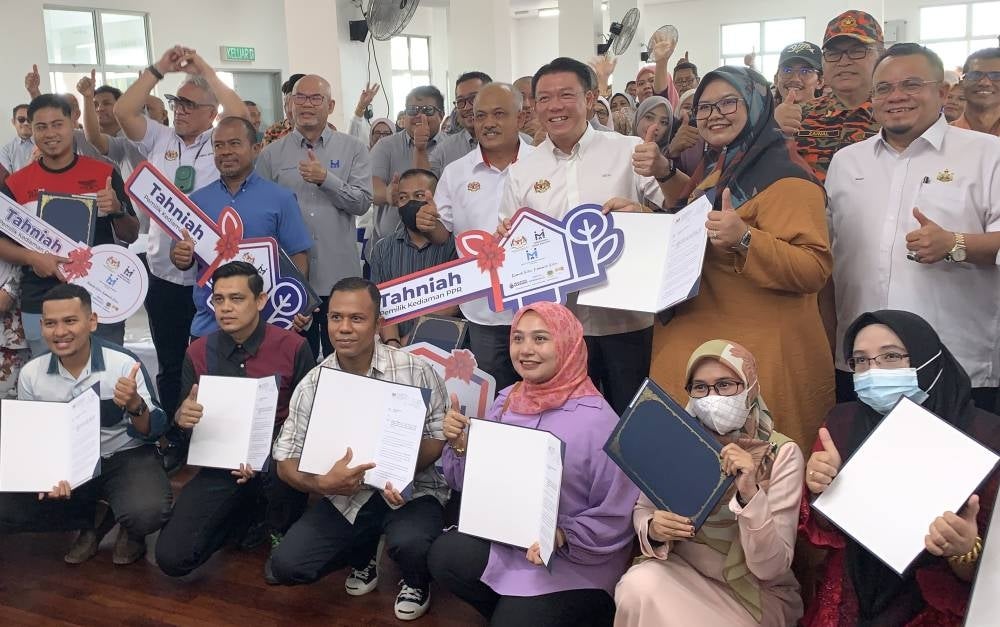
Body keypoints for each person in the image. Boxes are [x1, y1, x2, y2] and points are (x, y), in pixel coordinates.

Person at [649, 66, 833, 453]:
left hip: (755, 362)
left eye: (728, 102)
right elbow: (696, 214)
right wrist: (643, 211)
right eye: (705, 107)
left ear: (756, 103)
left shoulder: (787, 177)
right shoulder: (721, 164)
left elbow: (813, 268)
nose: (715, 114)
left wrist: (745, 239)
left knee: (761, 484)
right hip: (700, 350)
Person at [428, 302, 639, 627]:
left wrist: (563, 535)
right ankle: (516, 609)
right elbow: (470, 484)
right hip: (510, 543)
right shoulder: (508, 399)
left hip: (572, 563)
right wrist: (459, 443)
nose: (526, 350)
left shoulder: (600, 423)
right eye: (518, 339)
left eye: (541, 339)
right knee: (445, 556)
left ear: (567, 345)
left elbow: (618, 515)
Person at [500, 57, 688, 415]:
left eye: (566, 95)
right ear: (534, 106)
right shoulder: (522, 170)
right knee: (568, 423)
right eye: (544, 99)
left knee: (632, 421)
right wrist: (508, 238)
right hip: (559, 329)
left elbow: (678, 206)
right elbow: (511, 242)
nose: (555, 106)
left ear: (589, 99)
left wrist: (663, 169)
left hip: (627, 321)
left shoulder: (628, 149)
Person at [825, 43, 1000, 409]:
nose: (896, 96)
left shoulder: (987, 155)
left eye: (911, 84)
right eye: (884, 88)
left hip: (955, 361)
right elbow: (831, 256)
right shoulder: (846, 162)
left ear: (942, 92)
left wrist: (955, 243)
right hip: (864, 366)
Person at [801, 310, 1000, 626]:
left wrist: (963, 550)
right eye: (861, 361)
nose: (873, 371)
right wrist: (823, 491)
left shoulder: (985, 435)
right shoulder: (842, 423)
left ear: (927, 360)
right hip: (855, 592)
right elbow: (824, 535)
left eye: (891, 357)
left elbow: (985, 573)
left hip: (937, 606)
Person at [266, 277, 449, 621]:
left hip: (412, 489)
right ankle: (361, 555)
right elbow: (284, 460)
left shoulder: (415, 369)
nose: (344, 328)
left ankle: (415, 579)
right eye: (335, 318)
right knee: (287, 565)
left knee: (410, 543)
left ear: (379, 323)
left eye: (357, 318)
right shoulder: (313, 383)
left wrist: (400, 468)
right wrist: (321, 485)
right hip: (344, 494)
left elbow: (439, 435)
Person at [615, 339, 804, 626]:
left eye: (726, 385)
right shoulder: (677, 439)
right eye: (700, 387)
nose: (711, 397)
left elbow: (771, 567)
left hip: (753, 592)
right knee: (637, 587)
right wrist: (653, 528)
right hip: (684, 572)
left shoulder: (781, 453)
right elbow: (643, 508)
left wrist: (749, 493)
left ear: (750, 386)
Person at [114, 46, 249, 434]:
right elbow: (124, 112)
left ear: (211, 113)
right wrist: (160, 69)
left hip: (212, 279)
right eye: (177, 102)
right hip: (165, 275)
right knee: (171, 361)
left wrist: (205, 67)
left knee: (216, 359)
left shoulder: (219, 141)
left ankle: (217, 434)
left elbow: (238, 113)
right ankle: (174, 435)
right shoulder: (160, 138)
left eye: (191, 104)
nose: (181, 110)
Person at [154, 261, 313, 577]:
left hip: (277, 465)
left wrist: (268, 456)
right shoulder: (197, 353)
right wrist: (182, 419)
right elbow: (186, 428)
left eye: (237, 299)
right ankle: (243, 516)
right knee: (172, 558)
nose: (226, 308)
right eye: (219, 299)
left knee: (282, 474)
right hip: (220, 462)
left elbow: (309, 421)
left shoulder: (294, 347)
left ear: (261, 301)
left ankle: (278, 527)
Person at [0, 284, 170, 565]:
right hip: (68, 461)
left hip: (122, 456)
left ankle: (130, 527)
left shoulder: (123, 363)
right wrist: (45, 474)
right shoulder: (32, 374)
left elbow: (154, 431)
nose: (61, 332)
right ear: (41, 326)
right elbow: (35, 438)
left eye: (70, 321)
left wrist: (135, 405)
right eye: (51, 323)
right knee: (6, 508)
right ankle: (93, 521)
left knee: (147, 512)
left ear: (92, 321)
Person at [0, 94, 139, 356]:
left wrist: (117, 210)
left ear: (73, 123)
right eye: (41, 127)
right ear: (31, 130)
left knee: (104, 384)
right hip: (40, 300)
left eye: (57, 124)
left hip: (100, 298)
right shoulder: (16, 184)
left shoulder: (104, 174)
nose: (50, 133)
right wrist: (32, 257)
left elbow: (130, 234)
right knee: (49, 386)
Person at [420, 82, 534, 390]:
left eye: (499, 114)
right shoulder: (457, 173)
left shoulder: (544, 165)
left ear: (521, 118)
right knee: (493, 398)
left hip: (538, 308)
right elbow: (443, 235)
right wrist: (429, 222)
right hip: (484, 313)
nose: (488, 123)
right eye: (481, 115)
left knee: (540, 397)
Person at [257, 74, 373, 359]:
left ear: (330, 105)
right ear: (290, 104)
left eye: (315, 98)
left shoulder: (354, 149)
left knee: (346, 361)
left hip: (339, 277)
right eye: (300, 97)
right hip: (291, 283)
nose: (306, 105)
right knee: (296, 361)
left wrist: (326, 180)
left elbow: (362, 203)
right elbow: (261, 215)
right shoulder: (271, 155)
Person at [173, 116, 313, 339]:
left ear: (255, 148)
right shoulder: (196, 202)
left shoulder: (281, 199)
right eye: (218, 145)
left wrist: (296, 302)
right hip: (210, 326)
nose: (226, 151)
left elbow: (299, 256)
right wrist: (180, 256)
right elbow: (182, 256)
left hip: (268, 325)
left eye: (234, 143)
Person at [777, 11, 884, 182]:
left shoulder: (896, 114)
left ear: (881, 56)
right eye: (833, 54)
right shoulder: (800, 116)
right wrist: (773, 131)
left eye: (856, 51)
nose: (843, 61)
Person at [369, 167, 457, 345]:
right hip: (395, 347)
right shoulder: (383, 249)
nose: (410, 203)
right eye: (403, 198)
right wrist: (393, 343)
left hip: (448, 346)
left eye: (419, 196)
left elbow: (458, 304)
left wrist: (412, 339)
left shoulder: (455, 245)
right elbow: (381, 305)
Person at [370, 85, 444, 249]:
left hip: (439, 248)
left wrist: (420, 148)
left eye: (427, 110)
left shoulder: (449, 147)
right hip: (390, 249)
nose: (419, 115)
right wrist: (388, 193)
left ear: (441, 115)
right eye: (412, 110)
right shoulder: (386, 145)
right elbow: (370, 185)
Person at [77, 71, 144, 179]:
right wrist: (87, 97)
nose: (100, 108)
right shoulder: (81, 137)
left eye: (106, 103)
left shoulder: (133, 139)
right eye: (95, 105)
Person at [430, 71, 492, 176]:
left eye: (474, 98)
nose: (467, 107)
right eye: (460, 102)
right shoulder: (444, 150)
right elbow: (427, 185)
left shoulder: (521, 142)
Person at [952, 48, 1000, 136]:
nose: (985, 83)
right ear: (962, 82)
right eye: (975, 75)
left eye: (996, 76)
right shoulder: (942, 138)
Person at [263, 73, 305, 146]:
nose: (290, 110)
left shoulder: (324, 129)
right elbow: (265, 156)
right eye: (286, 103)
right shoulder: (274, 131)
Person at [1, 104, 33, 173]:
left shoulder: (43, 145)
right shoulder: (6, 151)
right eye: (21, 119)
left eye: (29, 119)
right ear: (13, 122)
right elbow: (8, 180)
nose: (26, 123)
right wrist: (32, 160)